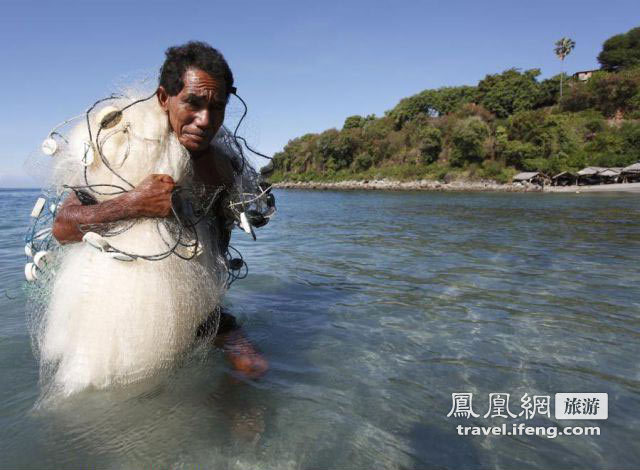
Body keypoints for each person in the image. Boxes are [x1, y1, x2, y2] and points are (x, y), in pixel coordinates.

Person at [51, 41, 268, 380]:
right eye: (192, 104)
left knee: (253, 368)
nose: (205, 121)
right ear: (165, 98)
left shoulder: (222, 167)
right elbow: (62, 229)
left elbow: (221, 239)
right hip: (124, 301)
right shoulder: (121, 146)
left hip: (200, 304)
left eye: (217, 108)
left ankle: (228, 412)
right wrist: (133, 203)